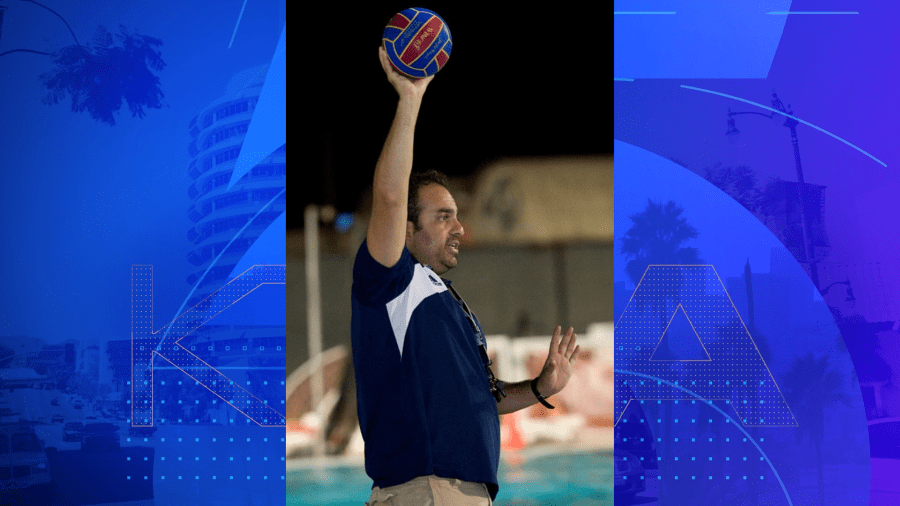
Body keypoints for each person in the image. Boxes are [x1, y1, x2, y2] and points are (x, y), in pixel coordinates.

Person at [350, 46, 581, 506]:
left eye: (457, 215)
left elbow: (484, 399)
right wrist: (410, 99)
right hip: (427, 490)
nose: (459, 228)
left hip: (459, 492)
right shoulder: (392, 283)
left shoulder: (443, 300)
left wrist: (540, 388)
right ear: (408, 230)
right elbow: (392, 196)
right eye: (443, 217)